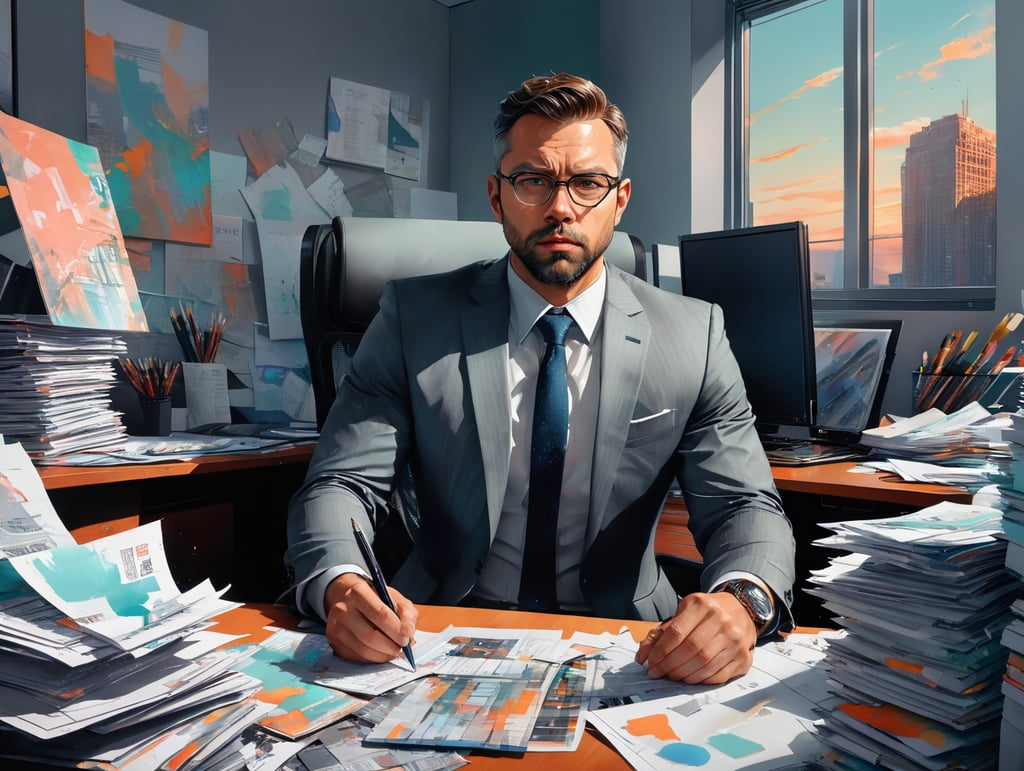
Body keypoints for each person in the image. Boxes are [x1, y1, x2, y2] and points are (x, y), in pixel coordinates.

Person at [284, 72, 796, 685]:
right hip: (437, 629)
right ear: (498, 197)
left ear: (620, 199)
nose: (560, 207)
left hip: (632, 645)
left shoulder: (694, 334)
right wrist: (340, 584)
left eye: (587, 183)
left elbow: (743, 504)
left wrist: (745, 601)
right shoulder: (412, 319)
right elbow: (340, 484)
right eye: (533, 181)